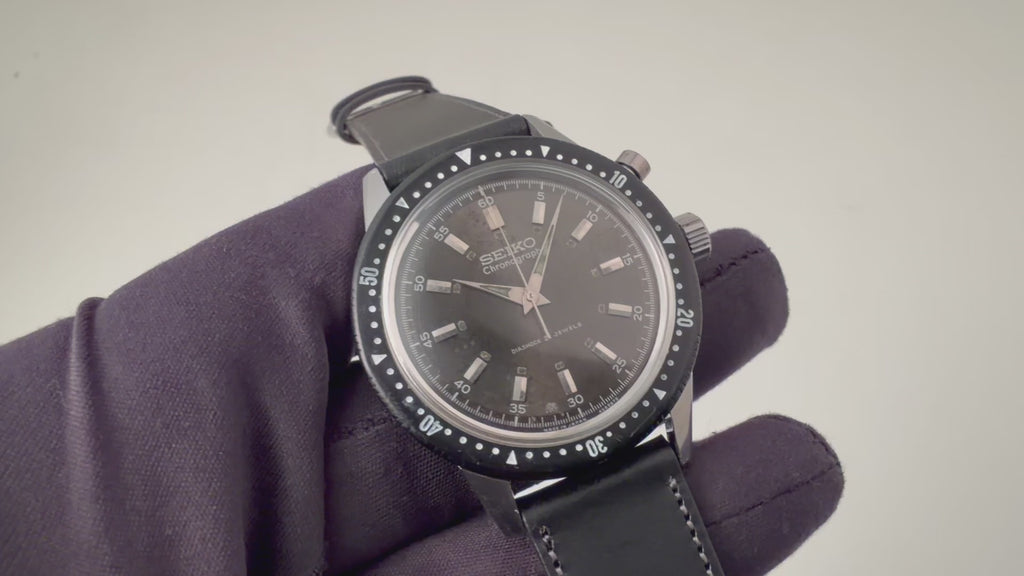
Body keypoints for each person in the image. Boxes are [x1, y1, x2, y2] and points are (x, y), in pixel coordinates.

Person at [0, 166, 843, 575]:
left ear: (670, 242)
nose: (530, 296)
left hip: (621, 389)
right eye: (515, 293)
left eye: (533, 287)